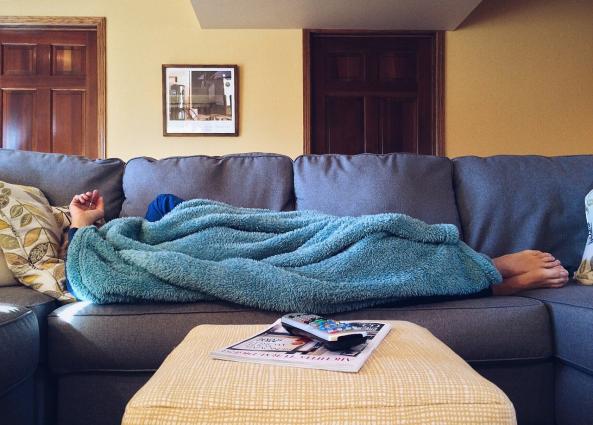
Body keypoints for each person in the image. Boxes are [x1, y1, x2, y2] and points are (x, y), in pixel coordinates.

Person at [68, 190, 569, 297]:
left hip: (266, 229)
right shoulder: (117, 235)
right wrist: (85, 225)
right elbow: (91, 274)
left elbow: (267, 227)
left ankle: (488, 270)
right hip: (153, 231)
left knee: (371, 232)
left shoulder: (167, 211)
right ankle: (490, 272)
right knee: (367, 256)